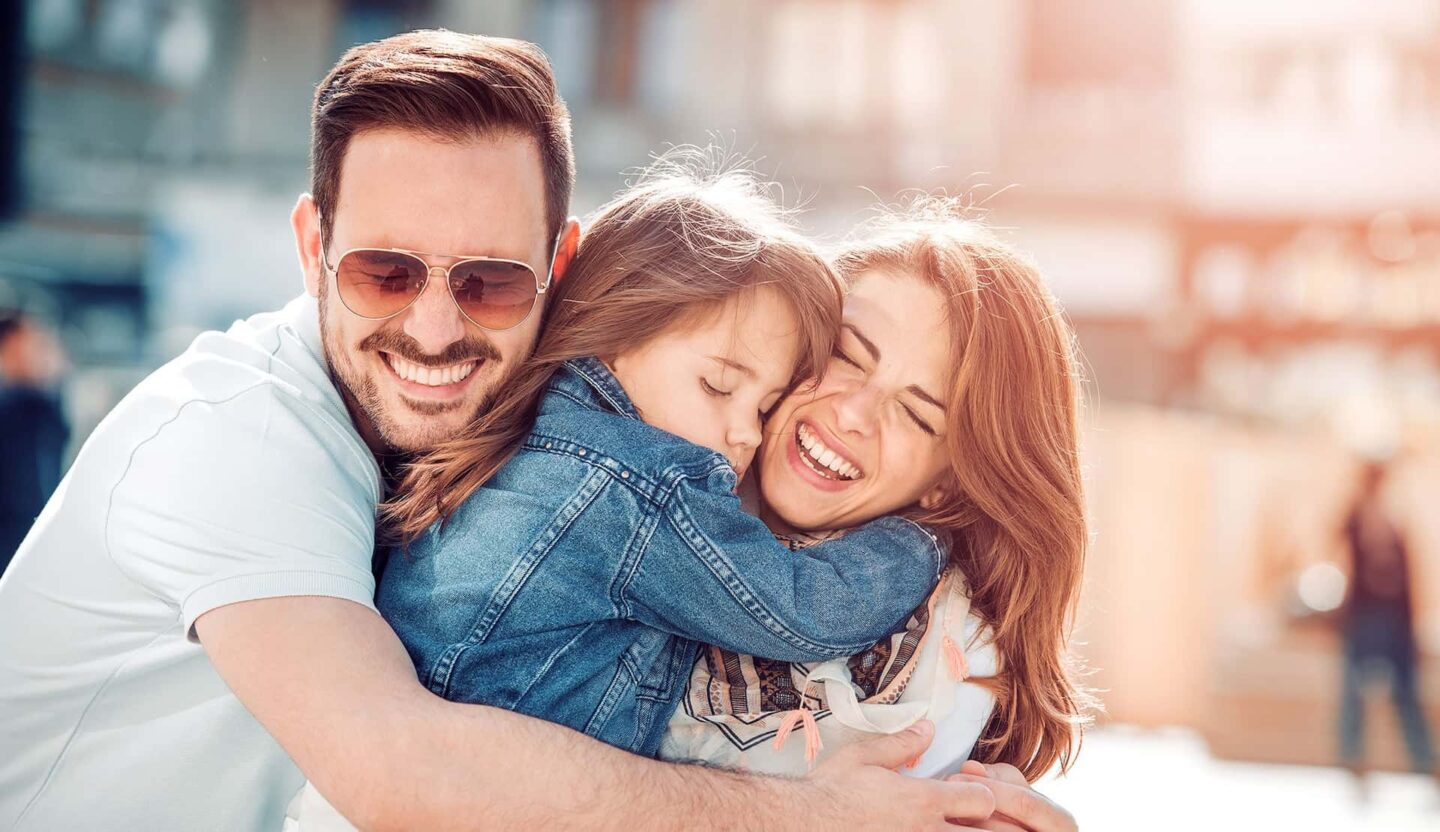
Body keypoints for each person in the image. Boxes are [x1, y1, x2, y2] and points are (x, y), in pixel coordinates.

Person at [0, 30, 1070, 830]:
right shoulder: (234, 438)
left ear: (559, 275)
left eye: (489, 280)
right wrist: (814, 819)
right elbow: (405, 770)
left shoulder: (530, 453)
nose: (432, 324)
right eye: (384, 270)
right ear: (310, 243)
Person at [661, 202, 1092, 783]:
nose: (855, 413)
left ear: (948, 482)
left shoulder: (951, 661)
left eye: (916, 416)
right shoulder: (647, 454)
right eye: (846, 356)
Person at [1337, 458, 1436, 785]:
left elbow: (1408, 575)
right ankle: (1353, 758)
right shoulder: (1360, 515)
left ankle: (1424, 761)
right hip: (1366, 615)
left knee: (1406, 691)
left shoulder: (1395, 519)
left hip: (1395, 619)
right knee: (1355, 689)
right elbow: (1341, 537)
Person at [0, 309, 69, 575]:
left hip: (27, 530)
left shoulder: (33, 405)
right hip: (16, 534)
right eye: (31, 343)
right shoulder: (20, 404)